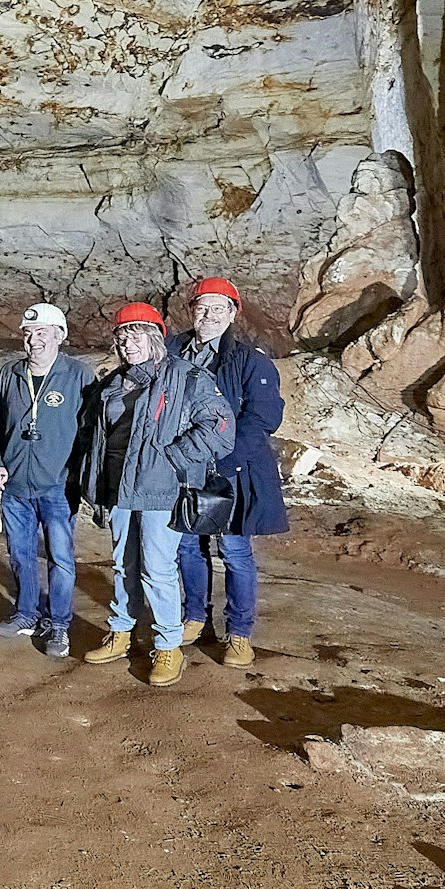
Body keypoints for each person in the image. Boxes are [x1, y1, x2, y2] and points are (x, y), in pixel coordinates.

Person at [79, 303, 235, 687]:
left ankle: (168, 646)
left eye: (136, 336)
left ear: (155, 338)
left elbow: (220, 427)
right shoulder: (114, 382)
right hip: (118, 489)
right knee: (121, 564)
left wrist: (173, 458)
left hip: (160, 491)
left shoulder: (187, 378)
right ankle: (121, 631)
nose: (128, 344)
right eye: (122, 337)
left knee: (157, 569)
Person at [169, 278, 287, 668]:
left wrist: (227, 463)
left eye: (218, 308)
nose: (208, 315)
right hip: (186, 465)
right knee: (188, 545)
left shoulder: (251, 361)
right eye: (202, 307)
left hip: (232, 468)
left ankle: (239, 633)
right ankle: (195, 617)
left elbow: (262, 418)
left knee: (234, 550)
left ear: (234, 313)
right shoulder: (172, 351)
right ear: (191, 310)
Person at [0, 303, 96, 659]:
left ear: (59, 336)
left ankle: (59, 624)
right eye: (29, 334)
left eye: (42, 333)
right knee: (20, 554)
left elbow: (93, 432)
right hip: (15, 485)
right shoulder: (9, 374)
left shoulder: (80, 375)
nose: (34, 341)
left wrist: (81, 477)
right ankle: (27, 614)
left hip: (58, 487)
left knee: (60, 558)